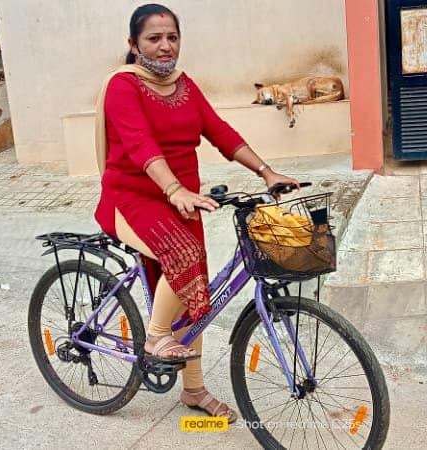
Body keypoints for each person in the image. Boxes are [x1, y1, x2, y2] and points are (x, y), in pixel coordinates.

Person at [93, 4, 299, 423]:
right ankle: (156, 337)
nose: (165, 46)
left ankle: (193, 390)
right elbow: (139, 143)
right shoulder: (122, 86)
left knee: (196, 295)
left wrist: (266, 172)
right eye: (154, 38)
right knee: (185, 258)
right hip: (132, 198)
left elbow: (219, 130)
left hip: (183, 202)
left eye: (172, 37)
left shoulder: (184, 85)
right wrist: (173, 189)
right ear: (134, 44)